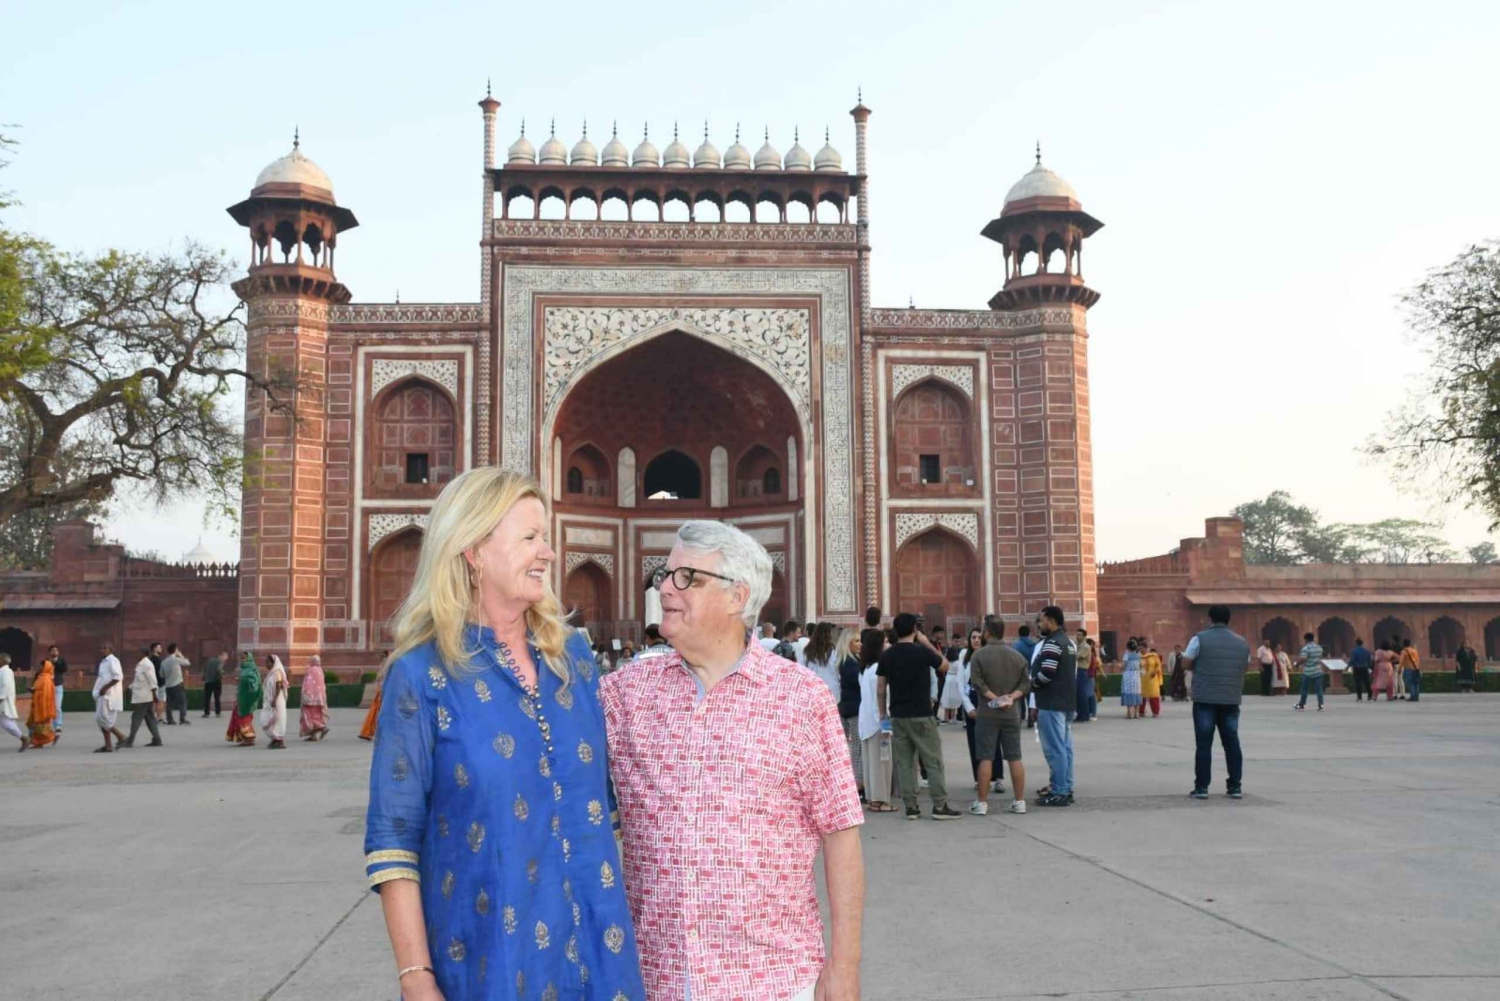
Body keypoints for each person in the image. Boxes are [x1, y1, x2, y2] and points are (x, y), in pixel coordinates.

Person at [366, 468, 643, 1001]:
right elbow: (393, 836)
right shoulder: (423, 674)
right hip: (488, 956)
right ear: (474, 550)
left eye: (547, 537)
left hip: (599, 953)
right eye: (530, 537)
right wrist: (415, 975)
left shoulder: (575, 661)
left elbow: (604, 808)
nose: (549, 552)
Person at [601, 520, 862, 1000]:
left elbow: (840, 833)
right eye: (665, 574)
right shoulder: (624, 695)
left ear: (737, 597)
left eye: (688, 578)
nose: (665, 589)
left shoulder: (801, 699)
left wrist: (843, 967)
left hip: (772, 978)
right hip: (654, 978)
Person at [878, 612, 960, 821]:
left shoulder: (887, 655)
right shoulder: (921, 652)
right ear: (915, 629)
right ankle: (939, 805)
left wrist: (882, 713)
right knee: (932, 760)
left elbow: (881, 688)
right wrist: (927, 643)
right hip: (921, 714)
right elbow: (945, 665)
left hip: (898, 715)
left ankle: (911, 807)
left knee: (904, 763)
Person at [1182, 605, 1251, 800]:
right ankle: (1235, 786)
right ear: (1229, 620)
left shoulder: (1199, 638)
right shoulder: (1242, 642)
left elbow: (1186, 663)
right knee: (1232, 742)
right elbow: (1244, 667)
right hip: (1230, 698)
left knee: (1204, 743)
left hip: (1205, 698)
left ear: (1209, 619)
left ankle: (1202, 787)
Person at [968, 616, 1030, 816]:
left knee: (986, 757)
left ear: (986, 633)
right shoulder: (1017, 656)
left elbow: (978, 683)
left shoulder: (978, 656)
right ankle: (1020, 801)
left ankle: (982, 803)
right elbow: (1025, 684)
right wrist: (1010, 698)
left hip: (987, 713)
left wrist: (996, 700)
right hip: (1012, 713)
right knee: (1015, 756)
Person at [1030, 606, 1078, 807]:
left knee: (1055, 749)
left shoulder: (1051, 643)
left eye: (1041, 621)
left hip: (1051, 702)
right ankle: (1065, 787)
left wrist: (1031, 684)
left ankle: (1058, 791)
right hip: (1066, 702)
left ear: (1051, 620)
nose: (1040, 625)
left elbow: (1046, 674)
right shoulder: (1068, 643)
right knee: (1065, 748)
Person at [857, 626, 895, 813]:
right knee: (882, 763)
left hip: (866, 722)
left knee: (871, 763)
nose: (888, 645)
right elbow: (881, 696)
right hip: (878, 721)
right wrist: (886, 722)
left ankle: (873, 798)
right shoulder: (878, 670)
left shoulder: (864, 669)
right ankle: (882, 800)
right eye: (885, 642)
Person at [834, 627, 865, 798]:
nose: (860, 644)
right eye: (856, 641)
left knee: (854, 748)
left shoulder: (845, 661)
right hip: (854, 709)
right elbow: (858, 685)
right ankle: (858, 784)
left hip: (847, 707)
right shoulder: (851, 664)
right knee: (857, 748)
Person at [124, 647, 164, 748]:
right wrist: (128, 688)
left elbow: (152, 680)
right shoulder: (141, 664)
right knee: (150, 718)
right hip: (143, 696)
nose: (135, 655)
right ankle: (157, 739)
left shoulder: (146, 664)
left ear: (143, 654)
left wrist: (154, 694)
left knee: (136, 718)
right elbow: (139, 681)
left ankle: (130, 741)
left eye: (137, 653)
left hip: (144, 697)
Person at [92, 643, 128, 753]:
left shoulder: (113, 660)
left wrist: (105, 687)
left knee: (102, 718)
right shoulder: (104, 662)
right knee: (101, 720)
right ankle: (108, 745)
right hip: (101, 694)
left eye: (104, 648)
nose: (102, 650)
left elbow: (118, 676)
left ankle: (121, 736)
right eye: (101, 648)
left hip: (109, 694)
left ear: (111, 650)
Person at [940, 628, 980, 723]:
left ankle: (954, 717)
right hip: (968, 697)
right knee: (949, 698)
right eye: (974, 637)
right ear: (969, 640)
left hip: (984, 701)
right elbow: (961, 682)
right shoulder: (963, 654)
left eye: (979, 637)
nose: (977, 640)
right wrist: (969, 707)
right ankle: (950, 718)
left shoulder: (987, 656)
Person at [226, 653, 260, 746]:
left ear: (249, 659)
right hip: (241, 697)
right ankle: (246, 737)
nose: (242, 660)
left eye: (244, 658)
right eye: (241, 658)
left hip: (247, 699)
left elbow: (255, 684)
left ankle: (249, 738)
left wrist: (243, 680)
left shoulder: (252, 669)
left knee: (243, 718)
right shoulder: (244, 670)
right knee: (238, 716)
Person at [805, 620, 841, 706]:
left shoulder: (807, 651)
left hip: (814, 690)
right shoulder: (835, 651)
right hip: (832, 691)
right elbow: (839, 672)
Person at [27, 656, 59, 748]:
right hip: (37, 704)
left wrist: (34, 691)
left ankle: (51, 736)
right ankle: (38, 742)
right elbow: (38, 689)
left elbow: (46, 694)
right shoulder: (41, 677)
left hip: (42, 705)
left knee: (38, 725)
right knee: (34, 724)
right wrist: (33, 690)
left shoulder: (46, 679)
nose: (39, 668)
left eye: (41, 666)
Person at [299, 654, 330, 740]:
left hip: (310, 698)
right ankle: (313, 736)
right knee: (317, 715)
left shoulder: (310, 670)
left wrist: (306, 695)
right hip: (320, 698)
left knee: (309, 716)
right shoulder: (320, 670)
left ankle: (322, 728)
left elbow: (307, 684)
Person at [261, 654, 289, 749]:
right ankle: (275, 739)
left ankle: (279, 740)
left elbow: (279, 686)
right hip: (271, 700)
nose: (266, 664)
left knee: (278, 718)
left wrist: (274, 699)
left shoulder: (277, 672)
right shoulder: (272, 673)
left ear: (273, 663)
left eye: (267, 662)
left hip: (277, 700)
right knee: (269, 718)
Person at [159, 643, 190, 726]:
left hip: (168, 685)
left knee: (169, 704)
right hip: (177, 684)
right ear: (175, 650)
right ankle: (182, 719)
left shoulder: (164, 662)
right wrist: (181, 655)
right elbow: (187, 663)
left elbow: (161, 674)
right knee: (182, 702)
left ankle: (170, 720)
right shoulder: (175, 659)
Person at [0, 654, 25, 752]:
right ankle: (23, 738)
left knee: (6, 723)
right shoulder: (3, 671)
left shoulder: (6, 672)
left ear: (3, 660)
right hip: (3, 700)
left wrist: (1, 698)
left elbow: (5, 686)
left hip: (3, 701)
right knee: (8, 723)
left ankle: (24, 738)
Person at [1296, 633, 1326, 711]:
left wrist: (1297, 664)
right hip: (1318, 670)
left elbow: (1303, 658)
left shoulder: (1306, 648)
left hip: (1308, 671)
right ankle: (1321, 705)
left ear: (1306, 639)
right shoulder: (1319, 647)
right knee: (1319, 689)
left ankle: (1302, 704)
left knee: (1304, 689)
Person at [1074, 629, 1097, 722]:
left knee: (1082, 693)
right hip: (1077, 671)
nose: (1077, 636)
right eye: (1077, 634)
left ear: (1084, 637)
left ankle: (1085, 714)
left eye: (1079, 635)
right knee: (1077, 693)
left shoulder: (1086, 647)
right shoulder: (1077, 646)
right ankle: (1080, 714)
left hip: (1082, 670)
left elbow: (1077, 656)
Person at [46, 644, 67, 735]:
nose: (54, 652)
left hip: (57, 686)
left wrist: (56, 662)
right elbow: (40, 672)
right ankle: (47, 725)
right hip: (47, 686)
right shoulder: (46, 661)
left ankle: (57, 725)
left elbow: (63, 670)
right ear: (49, 652)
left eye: (56, 650)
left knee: (57, 707)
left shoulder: (62, 661)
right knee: (47, 706)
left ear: (58, 652)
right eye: (52, 650)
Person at [202, 647, 228, 718]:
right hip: (216, 682)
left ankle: (206, 713)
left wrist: (204, 678)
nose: (226, 658)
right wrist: (222, 674)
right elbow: (219, 671)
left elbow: (204, 669)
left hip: (208, 682)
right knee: (217, 697)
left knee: (207, 698)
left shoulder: (209, 660)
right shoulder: (220, 662)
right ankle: (218, 712)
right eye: (225, 656)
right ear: (220, 656)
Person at [1120, 639, 1143, 718]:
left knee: (1128, 692)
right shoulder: (1138, 655)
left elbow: (1123, 666)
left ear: (1127, 647)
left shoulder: (1126, 655)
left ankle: (1129, 712)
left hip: (1128, 675)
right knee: (1136, 693)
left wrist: (1117, 665)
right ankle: (1136, 713)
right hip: (1136, 675)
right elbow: (1141, 665)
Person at [1141, 645, 1164, 718]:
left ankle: (1155, 712)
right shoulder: (1139, 657)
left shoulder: (1154, 656)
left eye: (1142, 648)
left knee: (1154, 695)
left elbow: (1158, 665)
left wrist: (1155, 671)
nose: (1141, 650)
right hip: (1143, 678)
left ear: (1146, 648)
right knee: (1141, 696)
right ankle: (1141, 711)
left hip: (1152, 678)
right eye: (1140, 648)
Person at [149, 641, 166, 723]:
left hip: (154, 683)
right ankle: (159, 718)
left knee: (154, 701)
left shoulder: (151, 659)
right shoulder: (157, 659)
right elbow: (159, 672)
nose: (161, 649)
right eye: (159, 647)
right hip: (160, 683)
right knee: (160, 701)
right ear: (155, 649)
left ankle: (153, 718)